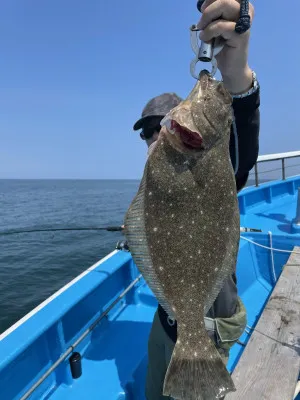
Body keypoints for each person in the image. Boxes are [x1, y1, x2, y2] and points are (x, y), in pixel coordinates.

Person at [132, 1, 260, 399]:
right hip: (167, 319)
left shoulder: (214, 162)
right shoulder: (157, 181)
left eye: (160, 124)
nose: (154, 134)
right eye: (146, 132)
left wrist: (236, 71)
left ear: (178, 124)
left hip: (206, 328)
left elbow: (242, 145)